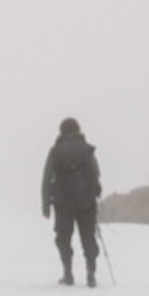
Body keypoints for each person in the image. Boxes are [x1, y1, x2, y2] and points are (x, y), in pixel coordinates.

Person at [41, 116, 101, 286]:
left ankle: (68, 272)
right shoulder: (87, 150)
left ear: (61, 131)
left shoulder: (55, 151)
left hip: (63, 201)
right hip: (86, 201)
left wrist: (46, 205)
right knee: (88, 236)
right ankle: (91, 272)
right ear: (78, 129)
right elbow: (96, 172)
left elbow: (46, 179)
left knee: (63, 237)